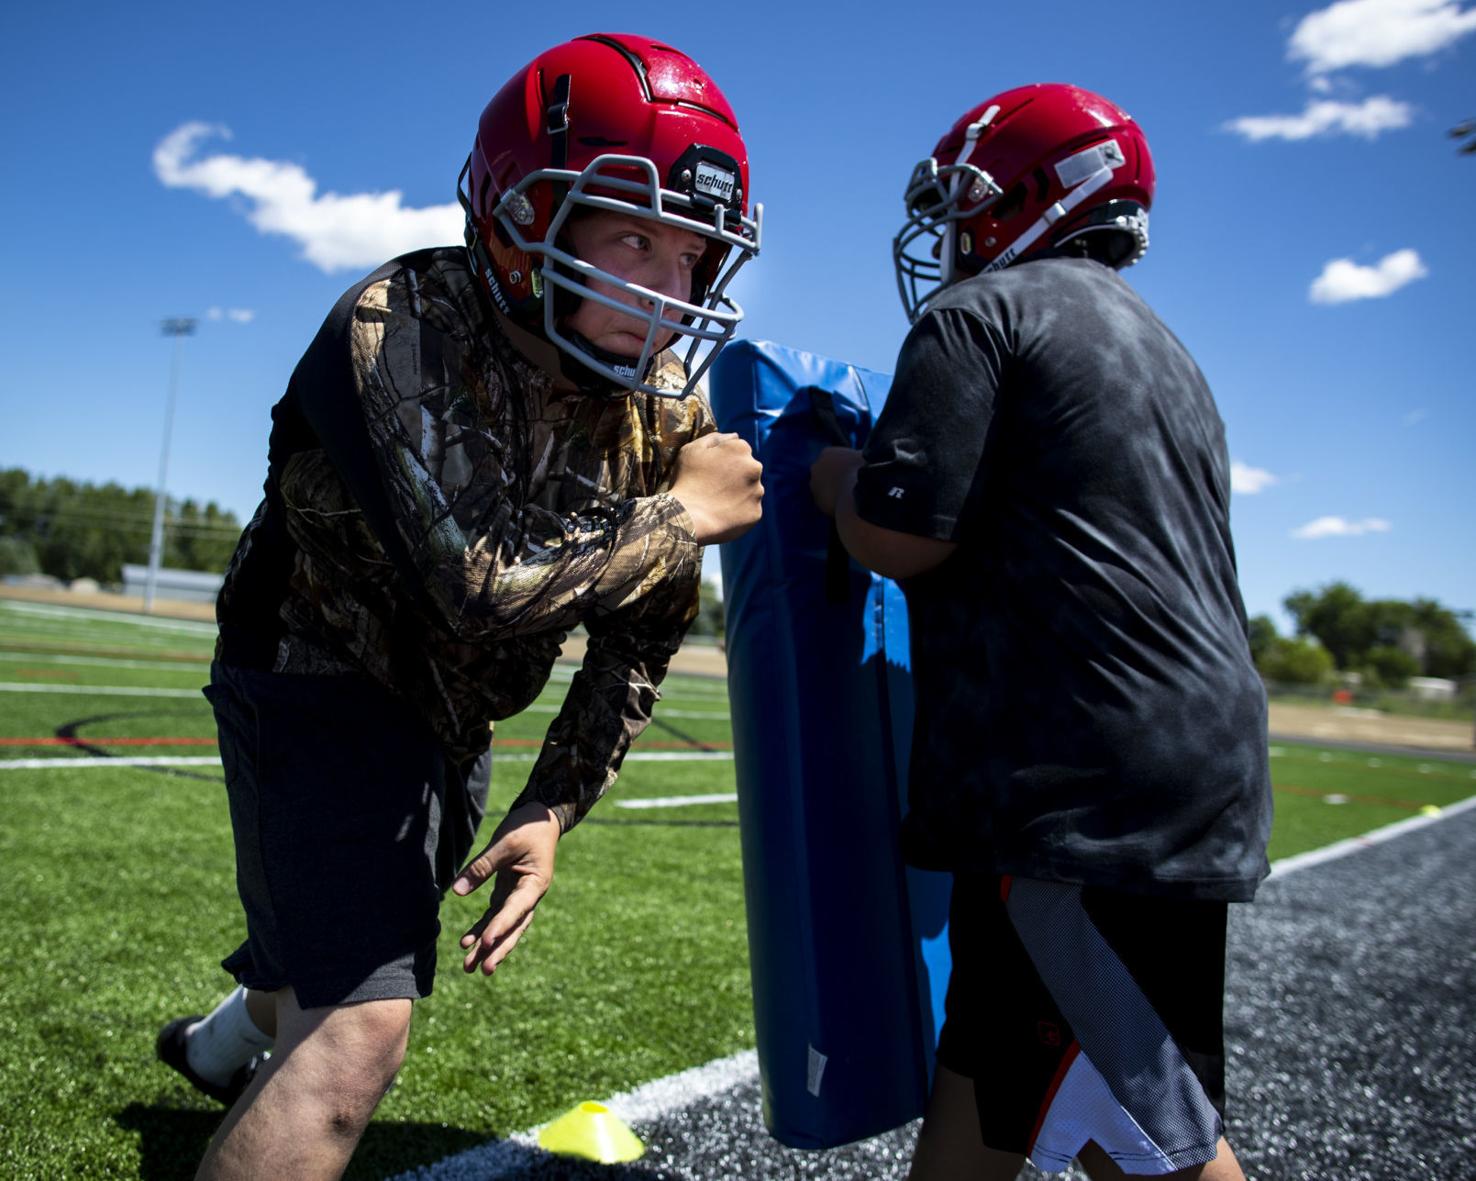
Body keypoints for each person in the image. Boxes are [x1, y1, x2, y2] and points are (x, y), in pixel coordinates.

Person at [154, 33, 763, 1179]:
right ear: (522, 217)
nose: (669, 290)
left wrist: (552, 803)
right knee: (358, 1024)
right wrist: (680, 515)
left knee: (351, 944)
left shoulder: (657, 401)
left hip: (449, 714)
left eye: (693, 255)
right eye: (634, 237)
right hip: (313, 666)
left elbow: (640, 635)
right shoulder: (404, 322)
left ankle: (215, 1046)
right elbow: (480, 582)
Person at [810, 84, 1271, 1180]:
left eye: (966, 202)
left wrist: (833, 480)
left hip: (1080, 788)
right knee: (992, 1086)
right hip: (1160, 762)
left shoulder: (986, 311)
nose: (955, 232)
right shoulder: (1165, 349)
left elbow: (900, 533)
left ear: (1031, 194)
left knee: (1151, 1136)